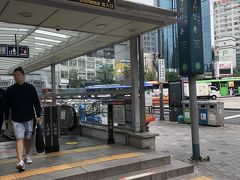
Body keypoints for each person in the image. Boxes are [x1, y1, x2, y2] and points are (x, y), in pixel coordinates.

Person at [5, 67, 42, 171]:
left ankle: (27, 155)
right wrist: (6, 117)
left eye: (18, 75)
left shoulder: (30, 88)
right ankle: (20, 161)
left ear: (23, 76)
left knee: (28, 138)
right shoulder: (10, 89)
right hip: (16, 119)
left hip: (29, 118)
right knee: (19, 139)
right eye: (14, 75)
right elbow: (6, 105)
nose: (16, 77)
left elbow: (36, 102)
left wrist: (38, 115)